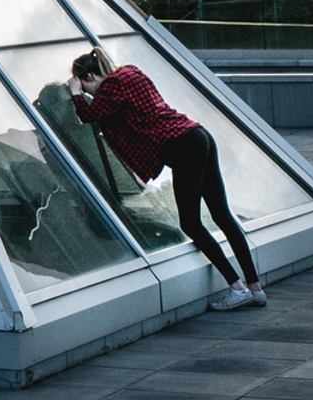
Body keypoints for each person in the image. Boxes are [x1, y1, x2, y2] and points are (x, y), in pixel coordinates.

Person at [67, 48, 266, 310]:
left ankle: (237, 288)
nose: (92, 95)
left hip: (182, 146)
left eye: (87, 86)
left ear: (91, 75)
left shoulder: (111, 87)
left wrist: (75, 93)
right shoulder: (131, 73)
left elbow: (88, 115)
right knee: (222, 215)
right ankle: (255, 287)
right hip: (197, 134)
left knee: (191, 223)